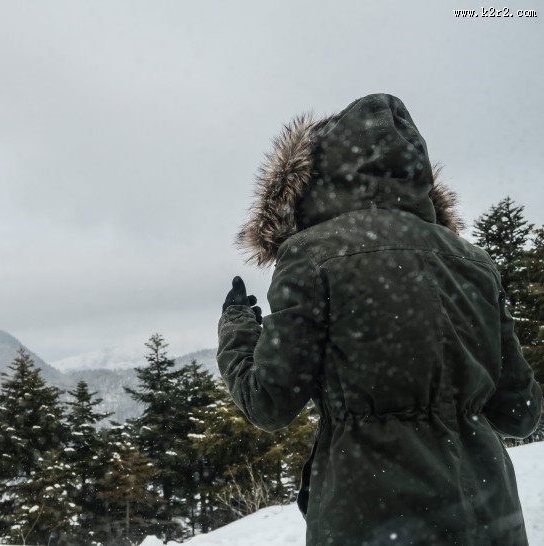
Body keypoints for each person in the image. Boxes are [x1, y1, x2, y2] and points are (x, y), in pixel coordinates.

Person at [217, 93, 542, 545]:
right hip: (490, 517)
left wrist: (237, 328)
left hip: (373, 516)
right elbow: (520, 413)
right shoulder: (473, 261)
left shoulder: (311, 256)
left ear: (316, 174)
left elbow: (269, 403)